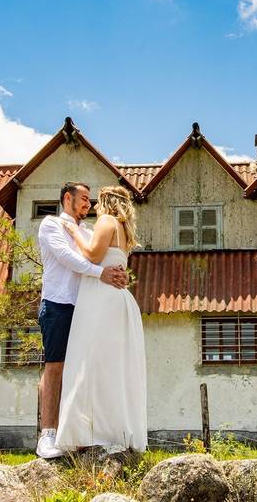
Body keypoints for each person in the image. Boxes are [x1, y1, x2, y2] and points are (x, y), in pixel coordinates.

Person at [35, 181, 128, 459]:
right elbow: (67, 258)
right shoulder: (51, 225)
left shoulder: (87, 230)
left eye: (91, 200)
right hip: (59, 304)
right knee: (56, 367)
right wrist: (100, 273)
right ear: (68, 198)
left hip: (88, 308)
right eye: (84, 199)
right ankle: (47, 435)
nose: (89, 205)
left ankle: (75, 433)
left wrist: (119, 273)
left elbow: (100, 258)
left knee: (84, 370)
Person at [55, 184, 148, 454]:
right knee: (111, 367)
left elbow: (93, 254)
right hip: (116, 299)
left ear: (107, 202)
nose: (93, 207)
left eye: (97, 201)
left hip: (101, 299)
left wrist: (74, 231)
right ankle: (109, 430)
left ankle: (91, 433)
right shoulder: (125, 231)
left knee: (91, 362)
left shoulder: (107, 221)